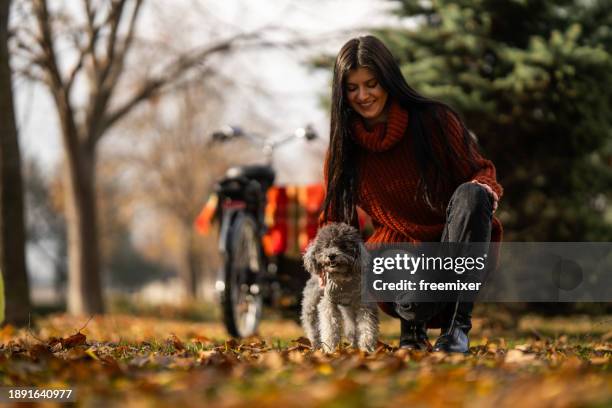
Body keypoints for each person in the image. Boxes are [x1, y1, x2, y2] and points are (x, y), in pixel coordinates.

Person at [318, 35, 503, 353]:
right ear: (342, 92)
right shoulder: (343, 149)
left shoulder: (435, 121)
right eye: (352, 87)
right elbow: (337, 219)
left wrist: (482, 189)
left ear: (388, 80)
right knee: (413, 283)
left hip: (452, 249)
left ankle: (456, 330)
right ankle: (412, 330)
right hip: (392, 257)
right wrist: (329, 258)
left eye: (372, 83)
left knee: (473, 195)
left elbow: (479, 169)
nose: (363, 95)